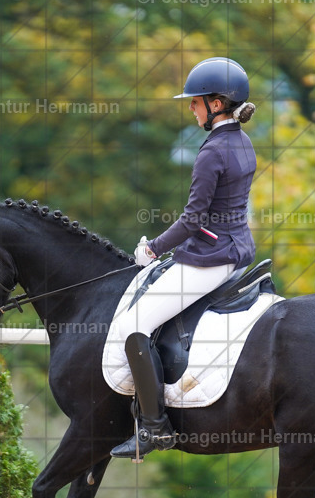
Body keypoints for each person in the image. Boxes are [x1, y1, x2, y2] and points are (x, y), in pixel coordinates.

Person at [109, 57, 258, 461]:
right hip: (236, 249)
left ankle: (155, 430)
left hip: (210, 259)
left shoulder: (212, 152)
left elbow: (192, 219)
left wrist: (152, 248)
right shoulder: (242, 143)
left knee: (133, 326)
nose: (190, 108)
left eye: (195, 102)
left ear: (216, 104)